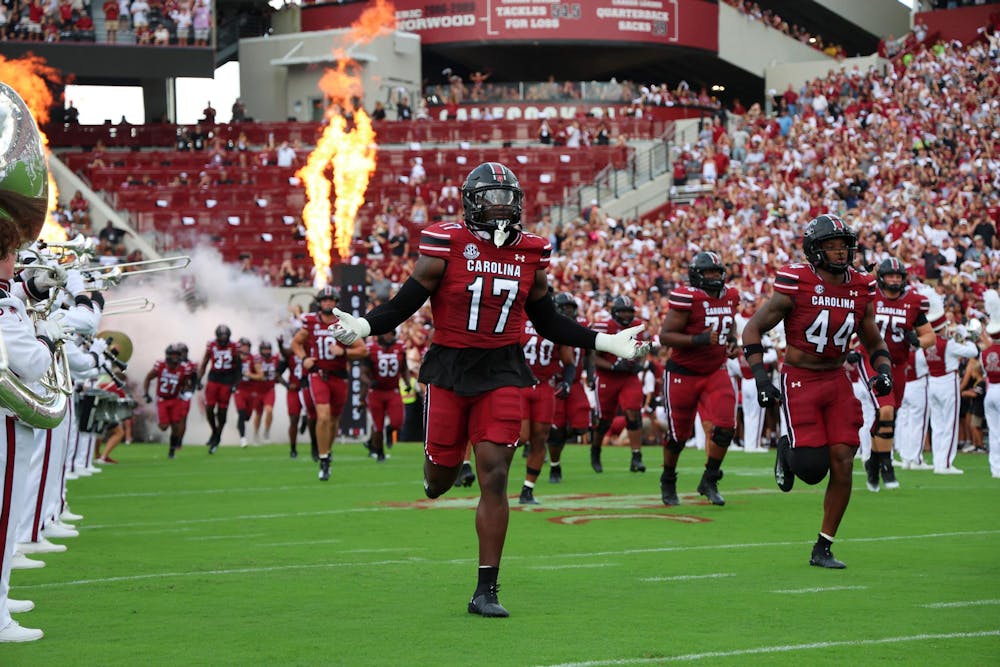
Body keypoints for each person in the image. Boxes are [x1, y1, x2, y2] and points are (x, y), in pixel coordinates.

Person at [328, 162, 646, 617]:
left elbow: (547, 320)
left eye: (507, 198)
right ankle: (438, 465)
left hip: (502, 369)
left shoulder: (532, 250)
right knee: (438, 482)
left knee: (495, 473)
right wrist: (364, 324)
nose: (501, 207)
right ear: (472, 202)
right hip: (451, 368)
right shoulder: (446, 241)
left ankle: (486, 589)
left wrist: (604, 340)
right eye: (491, 198)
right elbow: (406, 301)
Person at [742, 214, 890, 569]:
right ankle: (786, 448)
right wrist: (762, 379)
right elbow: (752, 329)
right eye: (831, 246)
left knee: (842, 462)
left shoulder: (861, 286)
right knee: (811, 469)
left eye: (844, 245)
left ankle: (823, 545)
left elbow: (871, 336)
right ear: (815, 249)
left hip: (837, 379)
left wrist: (883, 370)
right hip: (800, 379)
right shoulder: (796, 281)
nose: (840, 252)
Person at [658, 252, 740, 506]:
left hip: (715, 370)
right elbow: (666, 336)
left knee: (726, 426)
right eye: (708, 273)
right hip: (683, 373)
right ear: (697, 275)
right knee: (677, 437)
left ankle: (710, 478)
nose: (714, 277)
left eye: (717, 272)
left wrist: (733, 341)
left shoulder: (730, 296)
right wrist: (699, 339)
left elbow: (730, 323)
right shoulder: (688, 298)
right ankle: (668, 479)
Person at [858, 258, 935, 492]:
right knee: (886, 410)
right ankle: (886, 464)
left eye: (898, 276)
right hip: (872, 359)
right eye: (890, 276)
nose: (894, 280)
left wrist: (918, 340)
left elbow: (930, 336)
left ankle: (873, 461)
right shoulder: (871, 296)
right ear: (881, 277)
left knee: (888, 416)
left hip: (899, 364)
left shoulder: (913, 302)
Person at [291, 286, 367, 481]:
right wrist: (304, 358)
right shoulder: (310, 322)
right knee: (322, 416)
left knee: (333, 420)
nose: (327, 303)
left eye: (330, 300)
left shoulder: (342, 323)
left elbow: (362, 350)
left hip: (339, 375)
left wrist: (344, 353)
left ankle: (327, 451)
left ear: (335, 302)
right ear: (319, 302)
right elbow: (295, 343)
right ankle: (324, 459)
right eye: (324, 300)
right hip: (318, 374)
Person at [517, 316, 574, 504]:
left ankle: (528, 489)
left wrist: (566, 382)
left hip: (544, 387)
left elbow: (569, 362)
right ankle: (494, 478)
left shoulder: (554, 324)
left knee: (540, 439)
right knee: (521, 436)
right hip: (520, 384)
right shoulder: (516, 318)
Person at [589, 296, 648, 474]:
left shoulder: (638, 326)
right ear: (615, 312)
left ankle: (636, 457)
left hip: (628, 376)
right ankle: (596, 450)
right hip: (607, 377)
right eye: (622, 311)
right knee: (604, 421)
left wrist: (640, 361)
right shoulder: (604, 327)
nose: (626, 315)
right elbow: (593, 357)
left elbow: (644, 347)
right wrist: (613, 365)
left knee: (633, 413)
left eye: (629, 312)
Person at [924, 315, 979, 475]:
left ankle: (938, 462)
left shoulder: (928, 344)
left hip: (932, 382)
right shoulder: (949, 344)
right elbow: (973, 351)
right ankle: (946, 464)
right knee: (949, 425)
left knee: (937, 425)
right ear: (942, 327)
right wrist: (966, 337)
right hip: (947, 382)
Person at [547, 293, 592, 483]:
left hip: (574, 382)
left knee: (581, 427)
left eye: (571, 308)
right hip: (554, 382)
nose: (568, 311)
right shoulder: (546, 326)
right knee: (556, 431)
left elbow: (589, 353)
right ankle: (555, 465)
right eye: (564, 307)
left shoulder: (582, 326)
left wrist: (590, 374)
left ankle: (560, 438)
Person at [362, 329, 410, 462]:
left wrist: (407, 383)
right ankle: (380, 453)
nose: (389, 335)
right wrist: (370, 382)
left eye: (391, 333)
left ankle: (390, 431)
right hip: (376, 392)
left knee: (397, 421)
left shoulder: (400, 347)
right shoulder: (370, 349)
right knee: (377, 426)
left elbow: (404, 368)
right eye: (386, 332)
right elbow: (363, 373)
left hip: (393, 390)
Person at [143, 345, 194, 459]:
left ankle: (172, 451)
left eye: (177, 354)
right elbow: (148, 378)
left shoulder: (184, 368)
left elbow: (189, 380)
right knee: (164, 426)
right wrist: (146, 393)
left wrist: (188, 388)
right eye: (173, 354)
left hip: (176, 399)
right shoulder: (160, 366)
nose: (175, 357)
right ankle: (166, 420)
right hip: (162, 399)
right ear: (168, 355)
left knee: (176, 427)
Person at [197, 324, 242, 452]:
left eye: (225, 336)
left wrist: (235, 384)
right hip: (214, 378)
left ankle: (218, 436)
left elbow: (239, 367)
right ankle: (214, 431)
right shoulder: (211, 345)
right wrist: (199, 379)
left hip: (227, 380)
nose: (223, 338)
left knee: (222, 411)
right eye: (221, 336)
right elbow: (205, 362)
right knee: (209, 408)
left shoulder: (234, 346)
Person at [232, 337, 263, 448]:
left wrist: (250, 375)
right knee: (241, 412)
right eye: (243, 346)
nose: (245, 348)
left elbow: (260, 375)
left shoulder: (254, 359)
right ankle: (243, 438)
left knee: (247, 416)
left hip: (251, 390)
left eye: (246, 346)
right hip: (239, 389)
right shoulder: (234, 358)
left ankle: (240, 424)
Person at [252, 340, 280, 443]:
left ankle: (266, 432)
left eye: (268, 349)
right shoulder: (256, 359)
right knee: (258, 414)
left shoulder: (275, 358)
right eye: (264, 349)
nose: (267, 351)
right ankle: (256, 434)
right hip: (257, 390)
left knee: (269, 410)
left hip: (269, 389)